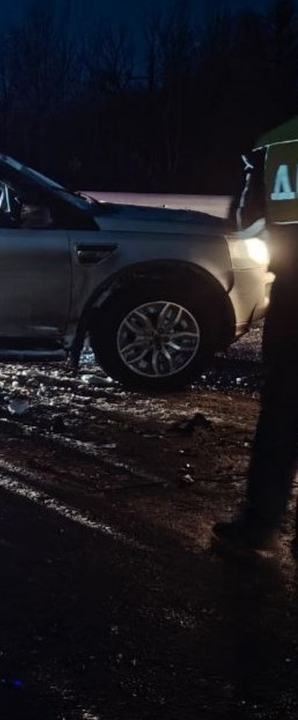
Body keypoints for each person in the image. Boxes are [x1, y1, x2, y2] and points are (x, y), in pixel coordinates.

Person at [212, 145, 298, 556]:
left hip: (295, 296)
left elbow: (249, 223)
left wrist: (253, 172)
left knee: (282, 410)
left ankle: (260, 524)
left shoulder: (285, 148)